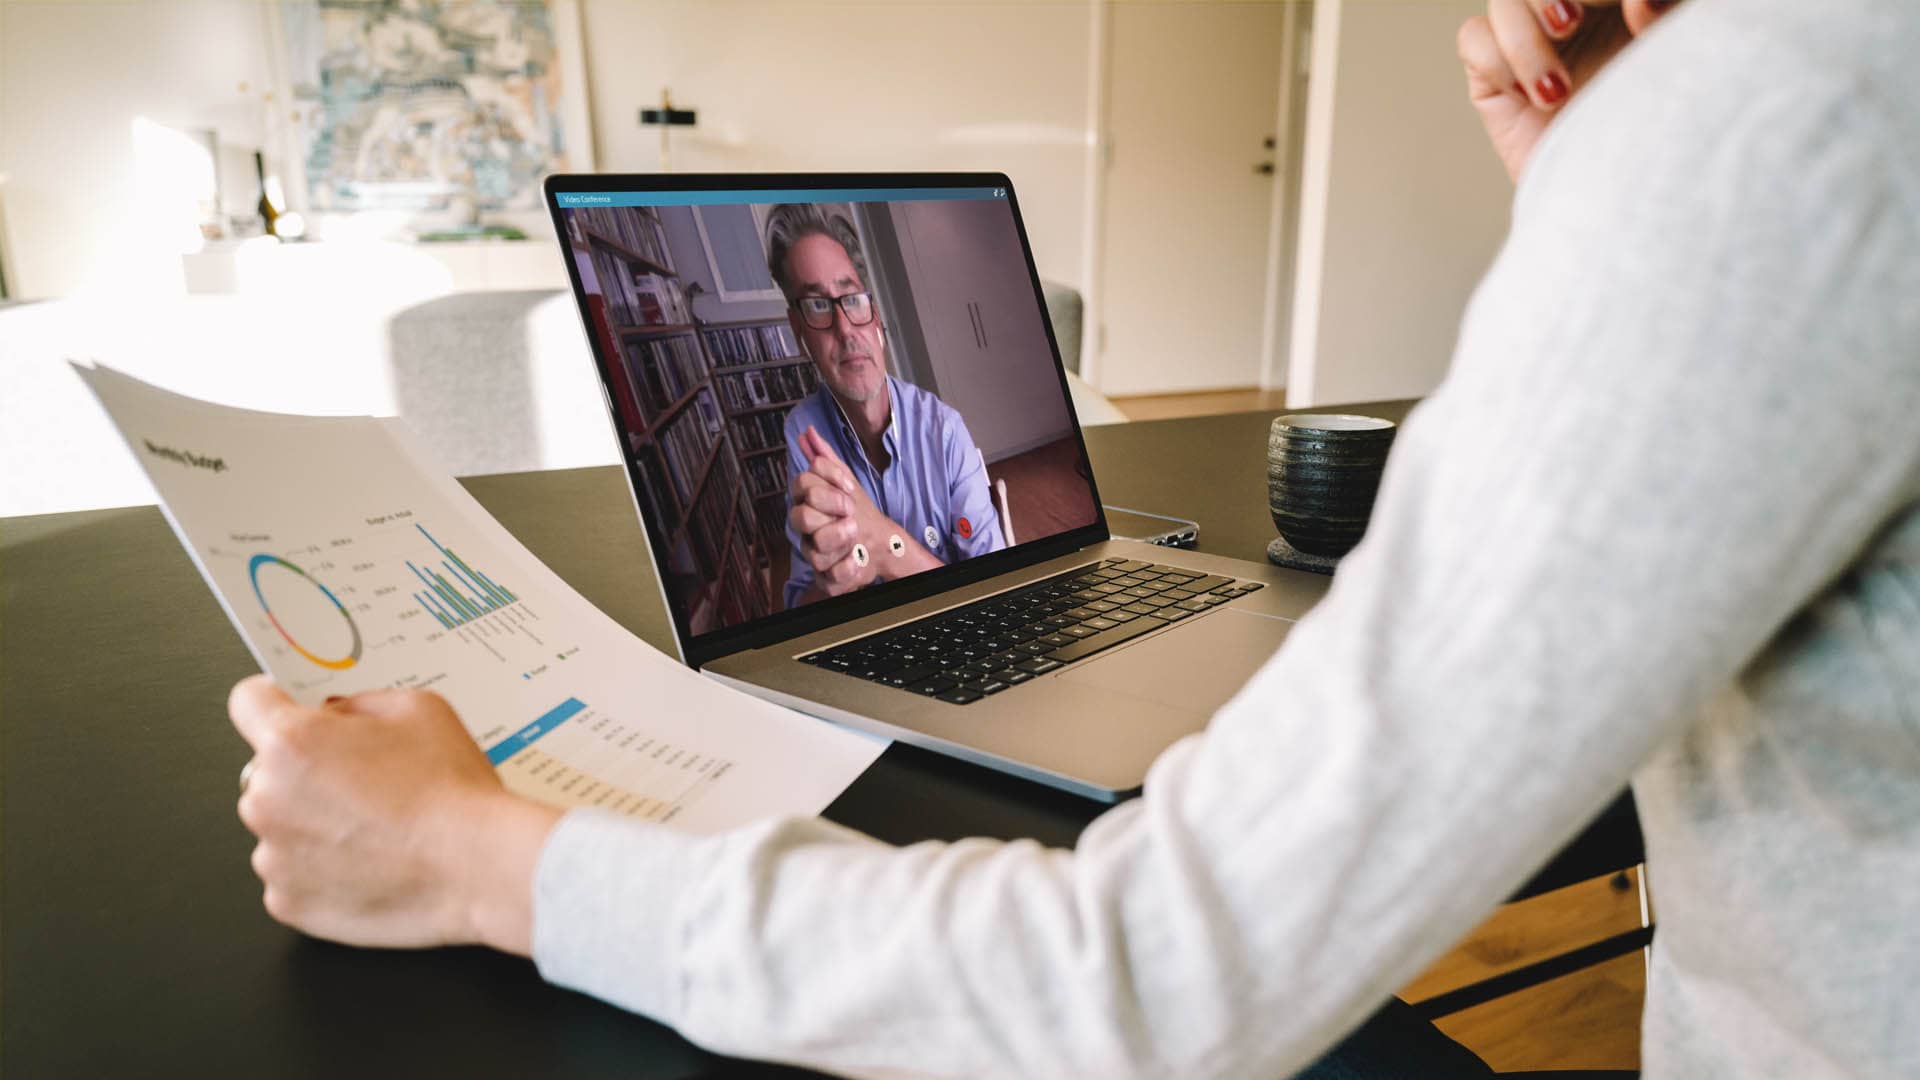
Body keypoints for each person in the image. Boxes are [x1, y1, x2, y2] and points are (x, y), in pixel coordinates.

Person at [226, 0, 1920, 1074]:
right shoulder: (1805, 100)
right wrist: (1595, 194)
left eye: (849, 307)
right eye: (807, 314)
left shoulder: (1791, 110)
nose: (836, 335)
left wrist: (480, 855)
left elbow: (1155, 985)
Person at [763, 205, 1006, 609]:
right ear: (798, 329)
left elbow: (998, 593)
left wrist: (884, 544)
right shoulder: (802, 432)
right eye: (818, 306)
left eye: (853, 299)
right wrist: (827, 582)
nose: (845, 329)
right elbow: (798, 608)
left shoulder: (945, 429)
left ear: (875, 317)